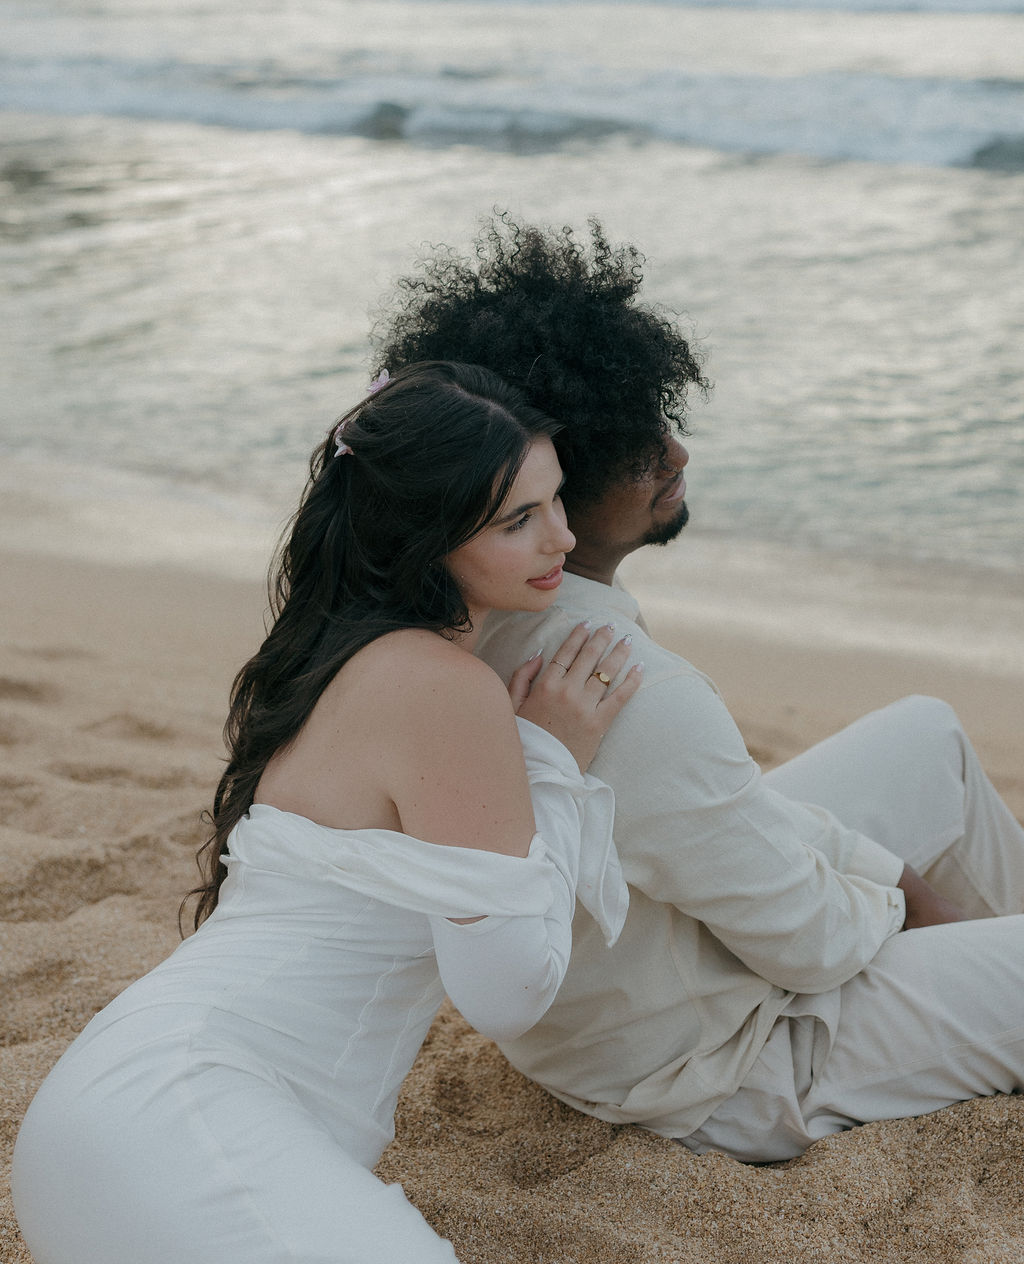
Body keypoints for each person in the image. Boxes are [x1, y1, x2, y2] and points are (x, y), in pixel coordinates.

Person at [372, 215, 1024, 1163]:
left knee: (928, 739)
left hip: (642, 988)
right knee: (902, 902)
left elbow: (723, 818)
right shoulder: (616, 681)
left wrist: (886, 878)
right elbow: (810, 944)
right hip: (716, 1066)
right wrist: (906, 900)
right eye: (638, 447)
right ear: (553, 483)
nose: (676, 455)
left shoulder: (471, 606)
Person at [11, 361, 642, 1263]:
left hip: (98, 1119)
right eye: (520, 519)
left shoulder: (325, 659)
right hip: (179, 1124)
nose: (563, 538)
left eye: (557, 500)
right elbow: (507, 992)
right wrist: (550, 762)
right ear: (428, 537)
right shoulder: (443, 688)